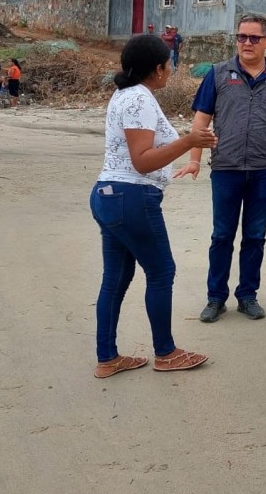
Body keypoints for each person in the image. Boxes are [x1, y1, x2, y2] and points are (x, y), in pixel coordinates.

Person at [90, 34, 217, 378]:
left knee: (115, 278)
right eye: (169, 64)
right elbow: (142, 161)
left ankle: (108, 357)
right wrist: (189, 141)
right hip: (132, 197)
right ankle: (166, 352)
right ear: (158, 68)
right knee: (161, 272)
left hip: (110, 194)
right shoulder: (138, 100)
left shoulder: (126, 95)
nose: (171, 70)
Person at [176, 14, 266, 323]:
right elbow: (201, 121)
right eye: (242, 37)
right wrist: (194, 159)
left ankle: (247, 296)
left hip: (263, 170)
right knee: (221, 235)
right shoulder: (219, 74)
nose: (246, 43)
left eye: (254, 38)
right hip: (226, 167)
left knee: (255, 236)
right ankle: (215, 298)